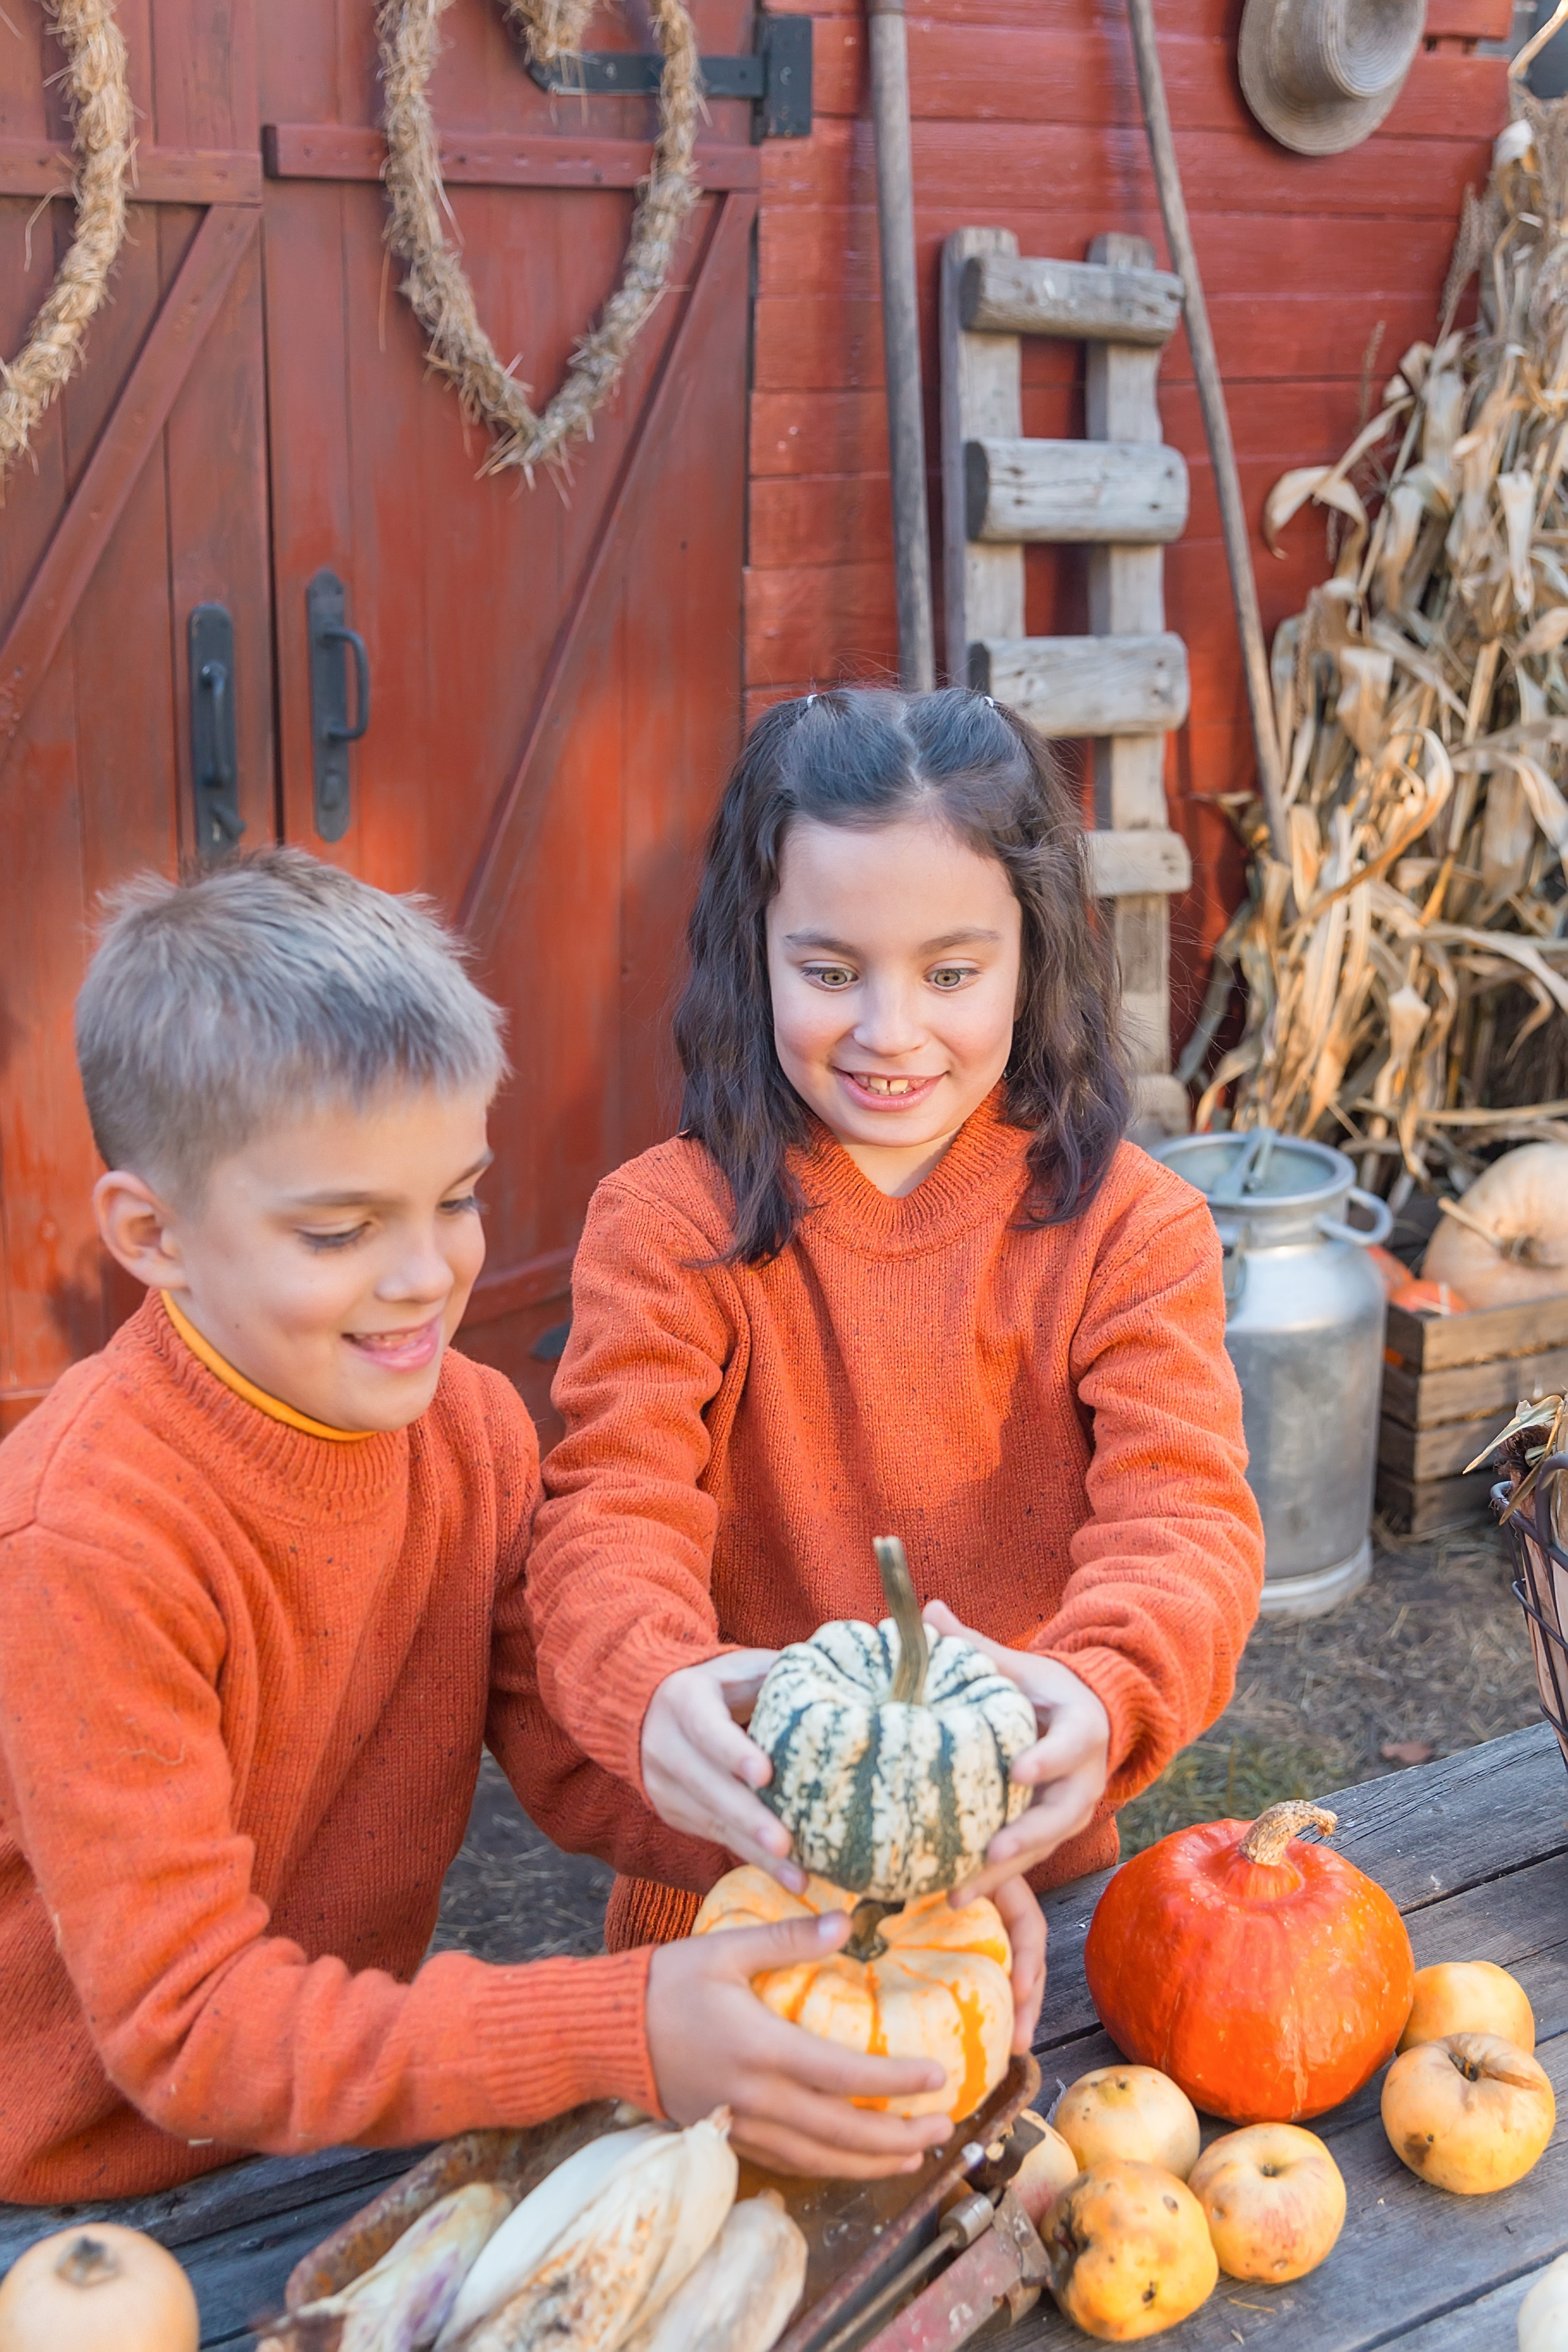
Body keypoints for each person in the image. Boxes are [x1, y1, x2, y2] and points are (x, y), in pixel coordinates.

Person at [0, 848, 963, 2206]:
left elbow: (573, 1754)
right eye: (338, 1230)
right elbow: (188, 2028)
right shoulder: (86, 1541)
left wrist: (872, 1864)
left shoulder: (468, 1430)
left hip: (333, 2106)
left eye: (452, 1199)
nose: (422, 1277)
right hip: (75, 2192)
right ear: (150, 1233)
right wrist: (615, 2030)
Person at [526, 687, 1265, 1961]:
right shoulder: (663, 1226)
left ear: (1032, 952)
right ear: (747, 950)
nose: (888, 1032)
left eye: (950, 972)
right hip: (728, 1891)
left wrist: (1105, 1689)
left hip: (1014, 1876)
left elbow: (1182, 1521)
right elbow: (610, 1510)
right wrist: (643, 1684)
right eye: (826, 971)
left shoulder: (1132, 1232)